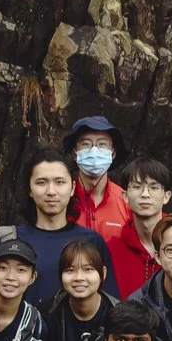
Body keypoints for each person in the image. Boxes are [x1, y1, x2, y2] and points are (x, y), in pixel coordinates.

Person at [64, 117, 151, 296]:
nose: (94, 151)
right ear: (74, 153)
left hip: (118, 296)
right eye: (86, 144)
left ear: (112, 153)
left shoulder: (127, 200)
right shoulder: (62, 198)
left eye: (102, 144)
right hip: (68, 294)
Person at [17, 150, 112, 305]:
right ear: (30, 190)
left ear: (73, 187)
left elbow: (108, 304)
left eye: (59, 182)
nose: (51, 192)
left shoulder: (91, 241)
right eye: (41, 183)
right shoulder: (12, 239)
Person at [41, 240, 114, 341]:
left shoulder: (117, 314)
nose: (79, 277)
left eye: (88, 269)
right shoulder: (47, 314)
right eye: (70, 270)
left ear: (103, 273)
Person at [123, 159, 172, 266]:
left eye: (154, 187)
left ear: (166, 196)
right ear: (125, 196)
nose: (145, 194)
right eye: (137, 187)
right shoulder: (112, 249)